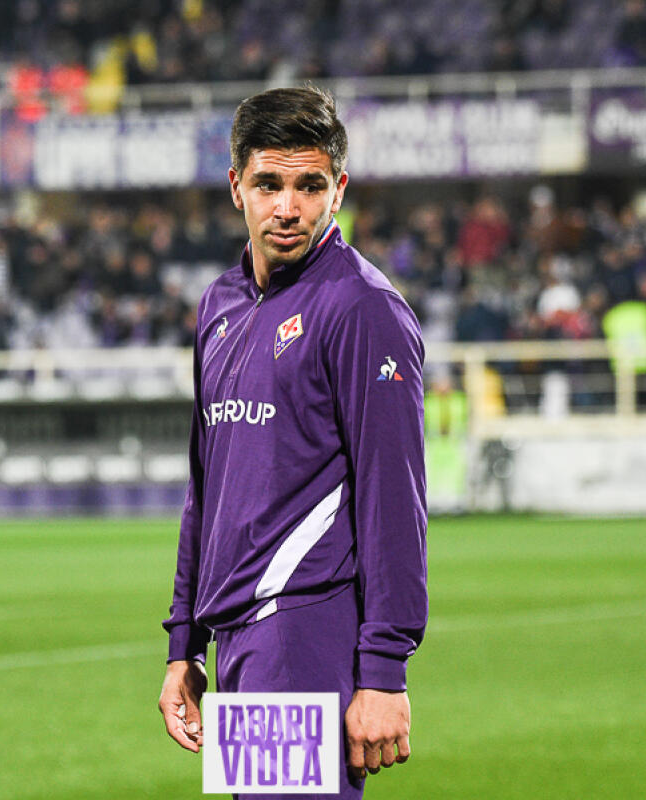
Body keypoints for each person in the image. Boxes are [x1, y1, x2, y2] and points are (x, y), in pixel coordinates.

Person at [157, 86, 427, 799]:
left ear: (338, 189)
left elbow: (393, 501)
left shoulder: (364, 310)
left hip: (302, 631)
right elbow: (205, 489)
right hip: (235, 638)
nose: (288, 207)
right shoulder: (219, 305)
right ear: (235, 187)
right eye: (268, 184)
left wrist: (384, 670)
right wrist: (183, 643)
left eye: (309, 186)